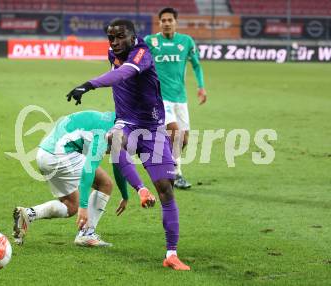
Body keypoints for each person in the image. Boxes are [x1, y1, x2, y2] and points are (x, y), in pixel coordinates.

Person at [66, 19, 190, 271]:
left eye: (120, 37)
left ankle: (171, 254)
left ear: (133, 37)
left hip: (153, 128)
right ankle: (141, 189)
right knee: (113, 139)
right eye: (110, 37)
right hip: (127, 124)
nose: (113, 42)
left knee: (166, 190)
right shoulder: (114, 51)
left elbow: (122, 74)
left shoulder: (141, 53)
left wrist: (89, 84)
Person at [13, 110, 148, 247]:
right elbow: (88, 171)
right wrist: (83, 207)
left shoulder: (115, 121)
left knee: (70, 205)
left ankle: (28, 214)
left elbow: (118, 162)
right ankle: (86, 233)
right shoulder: (107, 134)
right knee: (105, 184)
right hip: (61, 154)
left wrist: (125, 195)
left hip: (43, 154)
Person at [144, 7, 207, 189]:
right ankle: (176, 174)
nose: (166, 23)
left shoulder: (186, 41)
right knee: (175, 133)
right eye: (163, 20)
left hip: (180, 97)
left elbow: (196, 65)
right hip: (160, 97)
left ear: (175, 22)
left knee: (184, 139)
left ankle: (162, 164)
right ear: (159, 23)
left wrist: (201, 87)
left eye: (170, 20)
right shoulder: (151, 41)